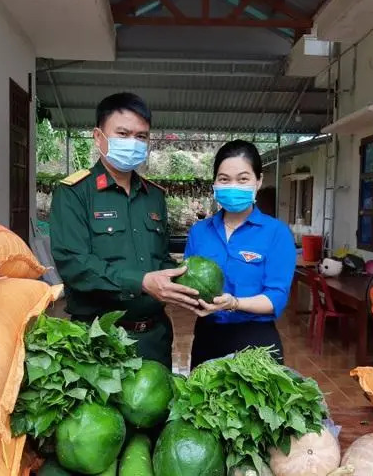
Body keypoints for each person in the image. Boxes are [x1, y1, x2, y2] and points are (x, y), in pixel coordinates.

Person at [50, 92, 198, 368]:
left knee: (158, 410)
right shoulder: (74, 193)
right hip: (99, 341)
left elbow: (161, 260)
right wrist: (140, 281)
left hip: (155, 340)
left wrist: (188, 286)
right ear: (98, 137)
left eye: (141, 137)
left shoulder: (153, 195)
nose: (133, 143)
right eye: (123, 133)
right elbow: (75, 264)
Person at [184, 140, 296, 368]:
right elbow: (187, 280)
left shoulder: (277, 233)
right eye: (224, 179)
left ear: (258, 181)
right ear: (215, 183)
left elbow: (276, 297)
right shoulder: (199, 232)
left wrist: (234, 303)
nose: (233, 185)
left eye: (243, 179)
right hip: (208, 337)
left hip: (256, 341)